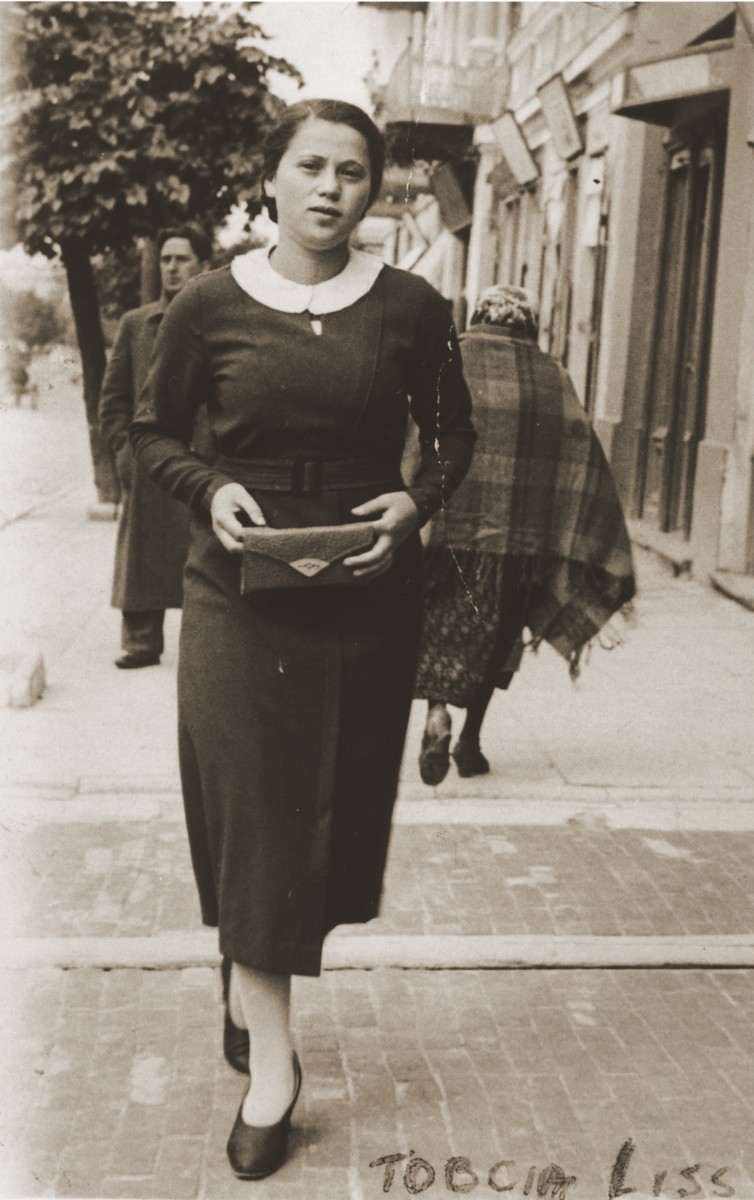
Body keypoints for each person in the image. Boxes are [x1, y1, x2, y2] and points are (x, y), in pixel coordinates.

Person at [130, 99, 475, 1180]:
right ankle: (273, 1069)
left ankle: (246, 964)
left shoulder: (412, 307)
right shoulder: (207, 305)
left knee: (320, 818)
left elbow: (455, 435)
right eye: (310, 166)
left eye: (353, 171)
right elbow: (147, 431)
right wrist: (212, 486)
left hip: (362, 594)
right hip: (238, 592)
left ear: (376, 190)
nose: (331, 187)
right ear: (271, 179)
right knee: (257, 812)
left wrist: (411, 508)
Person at [415, 284, 636, 785]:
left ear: (477, 318)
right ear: (529, 325)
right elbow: (580, 453)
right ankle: (470, 740)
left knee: (441, 627)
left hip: (445, 532)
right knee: (498, 635)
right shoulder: (550, 376)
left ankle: (436, 713)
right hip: (516, 542)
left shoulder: (447, 362)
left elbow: (412, 433)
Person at [99, 226, 211, 668]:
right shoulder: (135, 324)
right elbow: (112, 402)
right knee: (142, 551)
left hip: (201, 458)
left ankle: (204, 642)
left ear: (201, 264)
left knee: (203, 551)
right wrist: (126, 456)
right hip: (147, 462)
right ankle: (142, 640)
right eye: (165, 259)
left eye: (182, 259)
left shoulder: (214, 322)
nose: (172, 267)